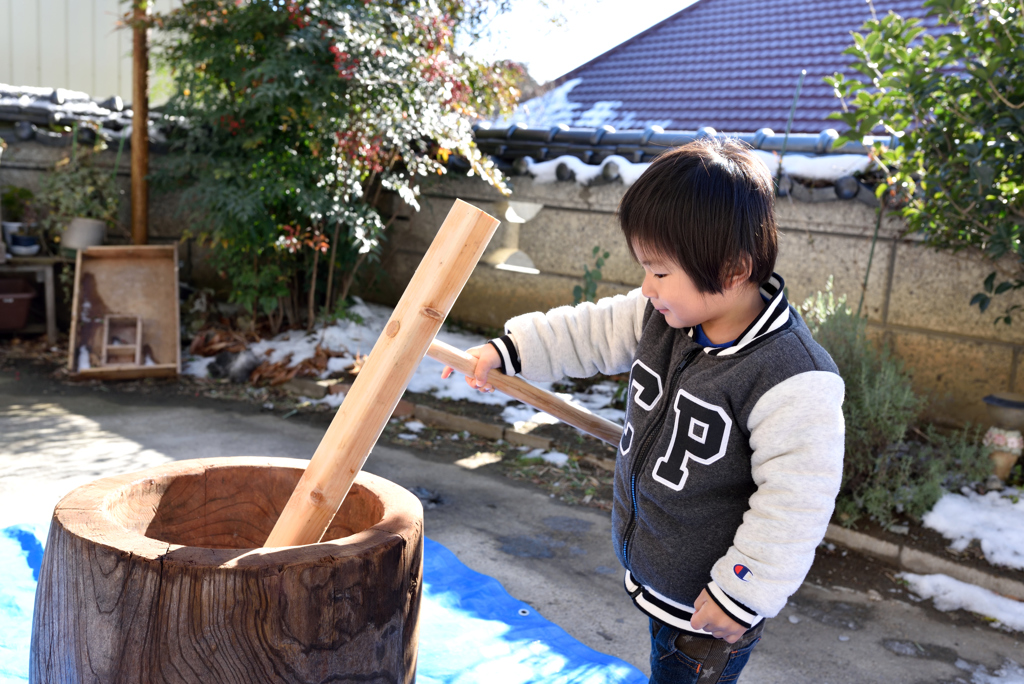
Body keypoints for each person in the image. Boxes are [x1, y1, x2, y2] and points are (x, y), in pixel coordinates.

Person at [442, 137, 845, 684]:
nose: (645, 285)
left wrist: (739, 595)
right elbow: (584, 330)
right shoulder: (664, 314)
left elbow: (796, 503)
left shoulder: (792, 377)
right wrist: (508, 352)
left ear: (730, 270)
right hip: (657, 575)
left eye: (658, 271)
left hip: (709, 617)